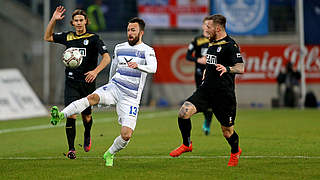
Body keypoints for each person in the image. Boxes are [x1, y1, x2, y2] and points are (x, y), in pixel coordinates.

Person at [50, 17, 157, 167]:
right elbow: (113, 67)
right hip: (115, 87)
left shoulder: (147, 51)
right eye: (128, 30)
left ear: (141, 32)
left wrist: (138, 66)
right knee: (92, 97)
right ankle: (61, 115)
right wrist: (108, 87)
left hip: (131, 97)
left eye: (133, 30)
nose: (130, 33)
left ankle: (109, 153)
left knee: (126, 135)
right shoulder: (120, 47)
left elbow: (153, 68)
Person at [169, 14, 244, 167]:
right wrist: (207, 71)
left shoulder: (231, 45)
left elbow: (240, 67)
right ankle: (187, 144)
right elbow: (211, 63)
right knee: (183, 113)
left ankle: (235, 152)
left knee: (227, 132)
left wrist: (227, 68)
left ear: (218, 28)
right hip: (205, 91)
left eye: (208, 27)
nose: (205, 29)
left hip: (224, 95)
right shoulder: (212, 43)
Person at [44, 6, 111, 159]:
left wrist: (95, 71)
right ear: (72, 23)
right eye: (76, 21)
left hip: (87, 84)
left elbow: (107, 58)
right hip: (71, 82)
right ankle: (71, 149)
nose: (79, 23)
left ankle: (87, 134)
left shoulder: (94, 38)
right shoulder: (68, 37)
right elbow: (47, 37)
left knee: (86, 117)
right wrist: (54, 19)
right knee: (71, 115)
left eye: (81, 20)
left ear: (86, 21)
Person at [186, 16, 213, 136]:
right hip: (199, 74)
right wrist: (198, 59)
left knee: (212, 100)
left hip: (213, 74)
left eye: (209, 25)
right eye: (206, 25)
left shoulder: (216, 40)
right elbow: (188, 56)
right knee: (204, 99)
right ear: (202, 26)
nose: (207, 27)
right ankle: (207, 120)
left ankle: (208, 120)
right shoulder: (197, 40)